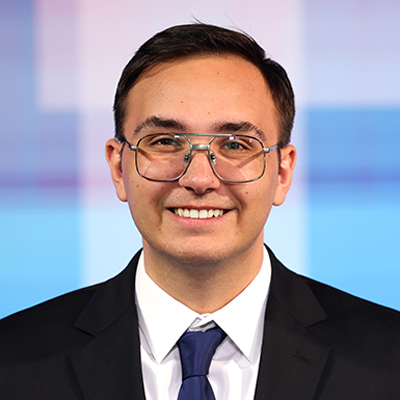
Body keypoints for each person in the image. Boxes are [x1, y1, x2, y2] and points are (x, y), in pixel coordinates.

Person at [1, 23, 399, 400]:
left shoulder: (388, 360)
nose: (199, 178)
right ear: (118, 167)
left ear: (282, 172)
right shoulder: (12, 361)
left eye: (236, 145)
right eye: (165, 141)